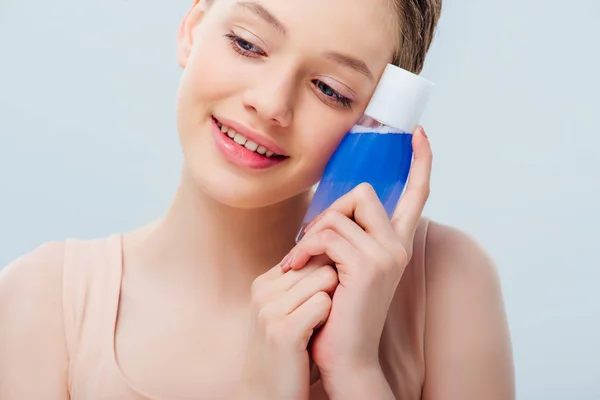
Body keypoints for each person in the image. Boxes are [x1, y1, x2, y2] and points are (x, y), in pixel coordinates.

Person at [0, 0, 515, 398]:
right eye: (247, 44)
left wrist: (355, 371)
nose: (270, 103)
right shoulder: (41, 303)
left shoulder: (445, 281)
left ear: (374, 120)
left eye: (329, 89)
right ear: (192, 27)